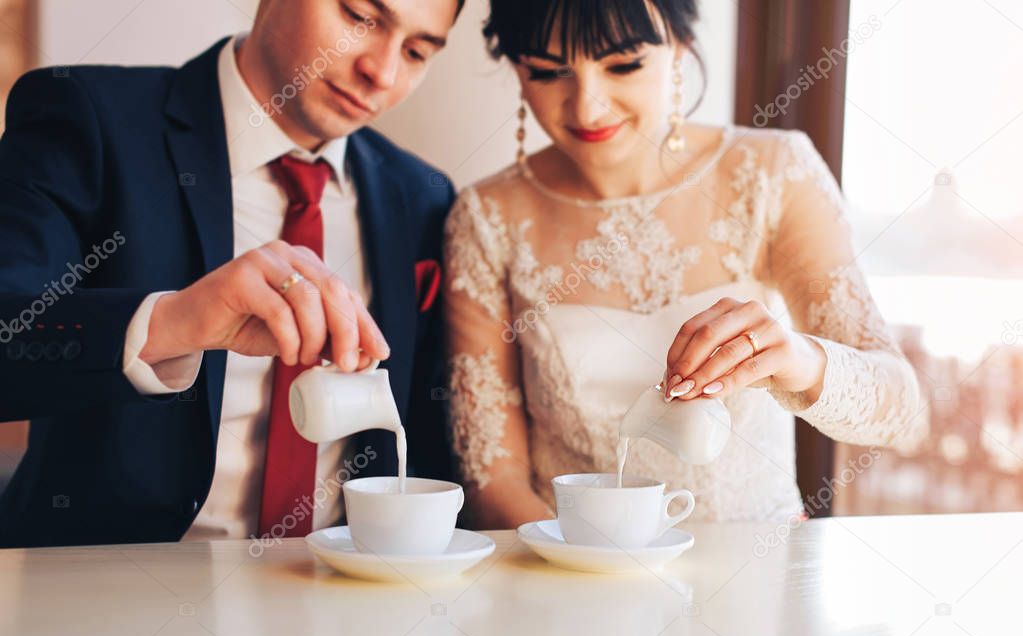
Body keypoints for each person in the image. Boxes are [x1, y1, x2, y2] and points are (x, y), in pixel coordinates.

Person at [444, 0, 925, 529]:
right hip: (574, 584)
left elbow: (901, 413)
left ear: (679, 46)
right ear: (516, 68)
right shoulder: (486, 218)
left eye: (623, 64)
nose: (587, 107)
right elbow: (495, 479)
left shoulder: (773, 173)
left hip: (757, 581)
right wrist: (585, 575)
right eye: (547, 72)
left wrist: (796, 359)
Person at [0, 0, 464, 548]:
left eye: (415, 52)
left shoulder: (420, 197)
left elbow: (429, 436)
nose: (381, 72)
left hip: (341, 595)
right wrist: (174, 322)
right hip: (109, 592)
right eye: (359, 17)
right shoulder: (87, 116)